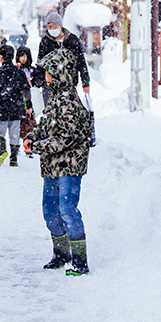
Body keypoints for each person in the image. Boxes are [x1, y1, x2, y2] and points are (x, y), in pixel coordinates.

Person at [24, 48, 94, 276]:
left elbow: (66, 136)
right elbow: (45, 126)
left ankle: (80, 260)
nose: (45, 77)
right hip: (53, 165)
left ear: (59, 72)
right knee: (50, 210)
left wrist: (38, 146)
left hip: (69, 166)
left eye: (48, 72)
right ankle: (61, 253)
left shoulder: (69, 102)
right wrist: (32, 137)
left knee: (67, 209)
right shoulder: (55, 99)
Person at [0, 44, 33, 168]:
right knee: (14, 134)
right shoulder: (19, 72)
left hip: (1, 107)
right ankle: (13, 158)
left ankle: (2, 151)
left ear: (1, 57)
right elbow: (26, 90)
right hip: (16, 108)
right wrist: (28, 105)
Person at [36, 12, 90, 103]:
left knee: (67, 114)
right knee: (51, 115)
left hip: (69, 85)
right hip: (50, 87)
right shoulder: (45, 42)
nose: (52, 29)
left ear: (60, 26)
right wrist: (40, 81)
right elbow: (40, 63)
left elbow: (81, 62)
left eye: (54, 26)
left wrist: (85, 83)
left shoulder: (73, 40)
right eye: (49, 26)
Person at [15, 46, 38, 151]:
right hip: (18, 100)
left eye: (25, 56)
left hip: (30, 99)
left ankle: (28, 144)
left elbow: (38, 82)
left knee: (29, 123)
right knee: (19, 124)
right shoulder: (15, 69)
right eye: (21, 56)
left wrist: (31, 82)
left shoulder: (33, 70)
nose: (23, 58)